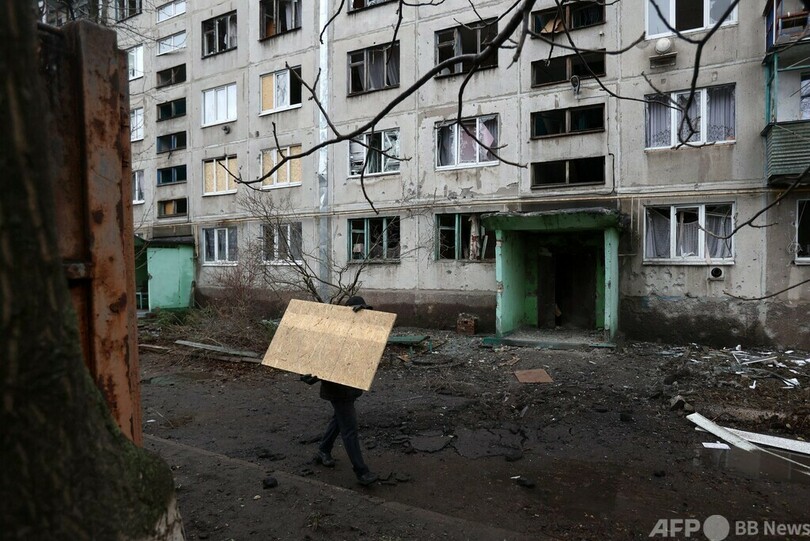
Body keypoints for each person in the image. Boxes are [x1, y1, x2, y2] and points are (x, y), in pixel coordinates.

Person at [303, 296, 378, 486]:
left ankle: (323, 450)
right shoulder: (335, 332)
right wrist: (313, 375)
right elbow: (324, 358)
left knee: (339, 420)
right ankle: (361, 472)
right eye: (359, 311)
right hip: (337, 390)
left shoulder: (359, 331)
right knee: (349, 428)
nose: (363, 314)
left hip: (350, 388)